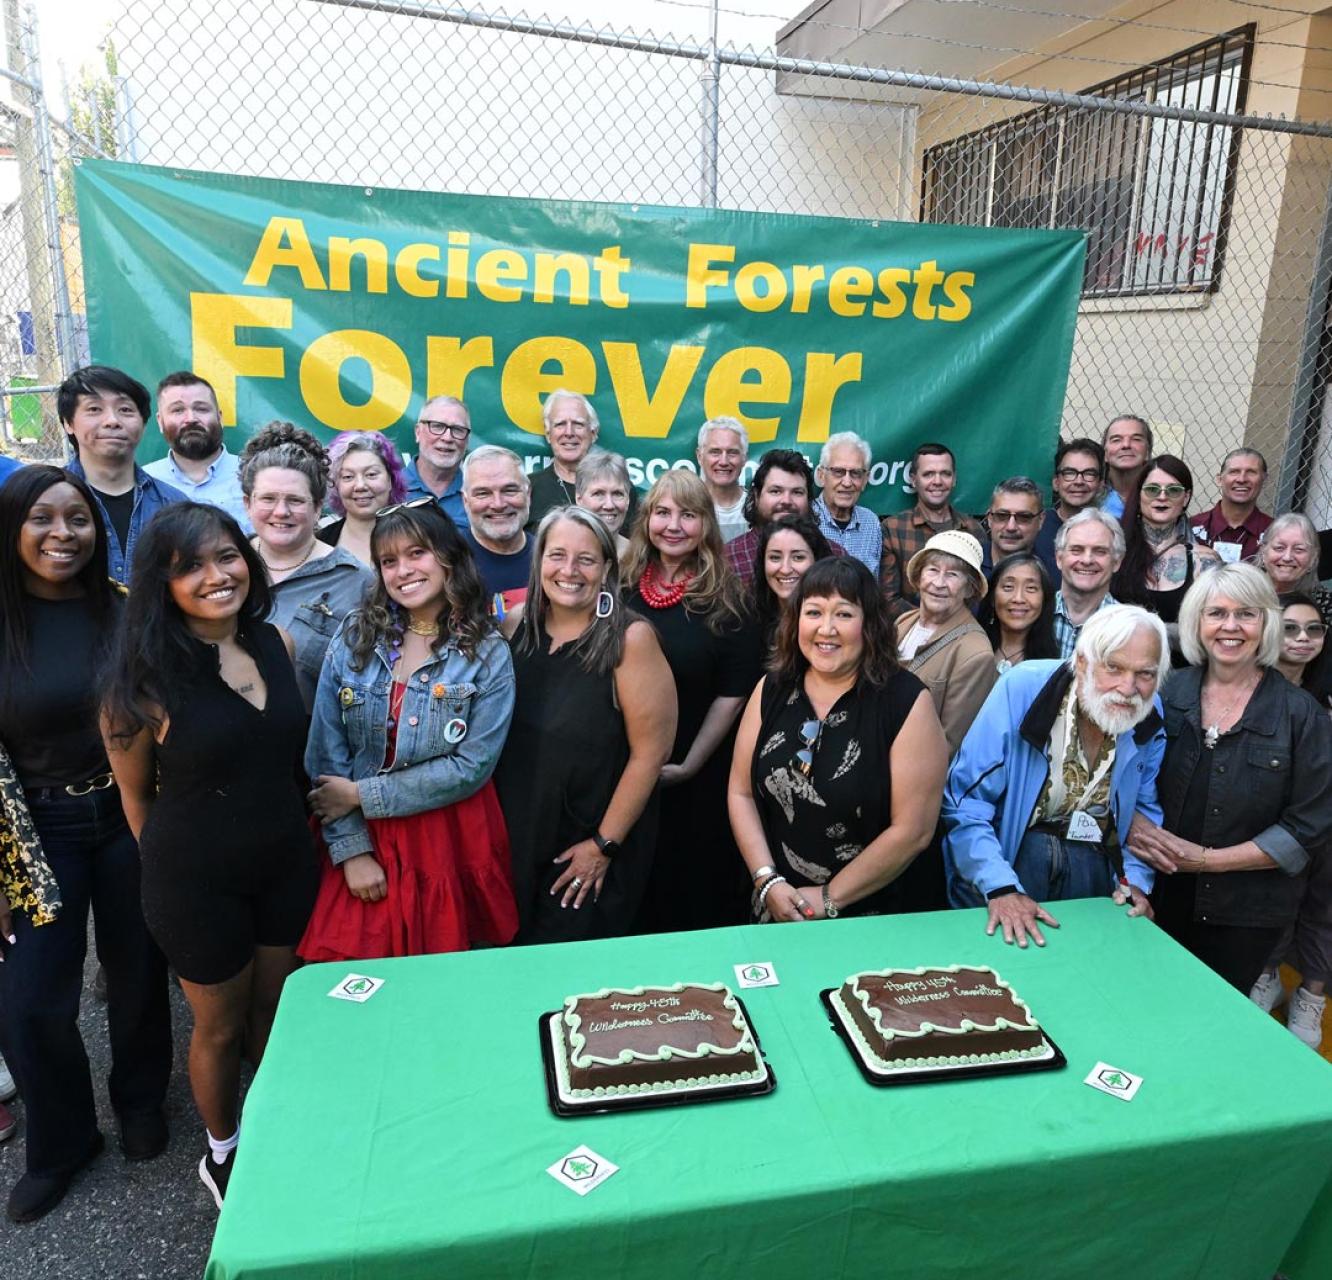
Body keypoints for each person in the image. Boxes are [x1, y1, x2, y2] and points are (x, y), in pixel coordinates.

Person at [103, 502, 316, 1210]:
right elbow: (137, 803)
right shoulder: (140, 685)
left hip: (285, 862)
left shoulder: (275, 642)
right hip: (196, 882)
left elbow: (286, 760)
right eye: (190, 566)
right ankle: (223, 1151)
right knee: (219, 1028)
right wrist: (176, 877)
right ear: (160, 584)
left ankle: (284, 1123)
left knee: (275, 1011)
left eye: (226, 556)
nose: (216, 574)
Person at [0, 467, 171, 1223]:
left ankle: (140, 1105)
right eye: (43, 518)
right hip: (34, 833)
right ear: (13, 528)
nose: (62, 534)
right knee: (33, 1001)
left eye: (79, 519)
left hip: (131, 814)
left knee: (139, 973)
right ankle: (64, 1140)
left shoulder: (126, 611)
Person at [302, 502, 518, 962]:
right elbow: (326, 752)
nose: (403, 570)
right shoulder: (355, 636)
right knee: (350, 981)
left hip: (449, 838)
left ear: (448, 557)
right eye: (388, 561)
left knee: (442, 984)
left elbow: (471, 766)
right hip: (363, 837)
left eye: (417, 553)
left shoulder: (487, 651)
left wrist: (362, 794)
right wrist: (352, 851)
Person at [1126, 565, 1332, 993]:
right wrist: (1136, 825)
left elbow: (1308, 826)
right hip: (1156, 893)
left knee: (1212, 1021)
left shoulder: (1301, 715)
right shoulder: (1165, 695)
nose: (1230, 627)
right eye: (1216, 613)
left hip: (1247, 912)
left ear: (1266, 624)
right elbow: (1120, 776)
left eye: (1247, 614)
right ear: (1197, 622)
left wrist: (1207, 860)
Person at [729, 557, 948, 922]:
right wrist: (767, 880)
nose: (826, 629)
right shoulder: (773, 688)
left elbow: (913, 831)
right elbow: (741, 792)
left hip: (876, 914)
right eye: (813, 612)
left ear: (870, 624)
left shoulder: (906, 701)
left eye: (844, 614)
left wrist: (829, 898)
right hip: (778, 904)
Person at [495, 507, 677, 942]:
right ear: (539, 562)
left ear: (607, 569)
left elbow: (652, 755)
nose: (569, 571)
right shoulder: (515, 626)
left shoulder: (630, 639)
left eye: (586, 559)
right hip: (514, 840)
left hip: (585, 849)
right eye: (557, 556)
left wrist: (603, 845)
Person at [942, 605, 1169, 947]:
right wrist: (1001, 887)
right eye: (1113, 667)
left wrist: (1134, 881)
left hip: (1092, 866)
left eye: (1145, 674)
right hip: (1006, 862)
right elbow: (965, 802)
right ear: (1081, 662)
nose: (1128, 687)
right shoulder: (1022, 689)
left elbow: (1144, 812)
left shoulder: (1148, 714)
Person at [625, 470, 760, 931]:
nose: (674, 525)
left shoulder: (730, 598)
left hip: (695, 777)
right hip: (624, 774)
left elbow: (733, 694)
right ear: (646, 520)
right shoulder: (619, 586)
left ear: (706, 524)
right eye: (662, 513)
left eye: (688, 514)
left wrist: (689, 764)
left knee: (690, 899)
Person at [240, 423, 374, 711]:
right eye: (268, 498)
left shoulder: (356, 581)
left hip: (310, 748)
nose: (281, 511)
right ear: (247, 503)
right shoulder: (227, 567)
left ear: (317, 507)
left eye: (295, 500)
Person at [1249, 593, 1332, 1049]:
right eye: (1291, 627)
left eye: (1313, 629)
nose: (1302, 638)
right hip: (1267, 818)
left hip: (1326, 818)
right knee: (1272, 898)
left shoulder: (1324, 690)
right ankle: (1266, 977)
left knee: (1322, 905)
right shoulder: (1250, 687)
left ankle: (1311, 994)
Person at [58, 365, 184, 585]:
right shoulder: (42, 500)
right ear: (68, 423)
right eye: (94, 409)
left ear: (143, 425)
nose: (112, 421)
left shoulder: (175, 505)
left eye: (125, 410)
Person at [894, 531, 997, 755]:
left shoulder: (975, 653)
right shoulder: (903, 623)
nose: (939, 583)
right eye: (932, 570)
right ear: (919, 577)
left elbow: (948, 744)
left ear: (970, 588)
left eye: (952, 575)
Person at [1110, 456, 1220, 663]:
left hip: (1181, 677)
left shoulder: (1204, 560)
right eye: (1152, 489)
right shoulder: (1112, 548)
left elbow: (1213, 630)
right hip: (1119, 668)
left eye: (1173, 490)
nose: (1162, 496)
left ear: (1186, 498)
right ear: (1139, 495)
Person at [879, 443, 983, 620]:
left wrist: (953, 627)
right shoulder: (893, 528)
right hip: (908, 636)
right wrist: (929, 623)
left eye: (945, 474)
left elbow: (978, 594)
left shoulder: (973, 531)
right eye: (928, 474)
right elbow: (888, 599)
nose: (937, 481)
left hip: (962, 634)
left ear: (954, 478)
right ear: (913, 479)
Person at [144, 372, 250, 530]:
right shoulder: (144, 482)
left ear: (220, 418)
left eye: (201, 409)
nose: (191, 418)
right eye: (178, 410)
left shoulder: (255, 476)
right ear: (160, 422)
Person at [725, 448, 842, 585]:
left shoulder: (835, 555)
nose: (786, 501)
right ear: (756, 496)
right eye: (775, 491)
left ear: (809, 500)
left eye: (797, 492)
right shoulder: (728, 559)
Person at [527, 390, 639, 531]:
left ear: (593, 433)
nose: (569, 432)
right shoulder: (529, 489)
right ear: (549, 434)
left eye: (578, 424)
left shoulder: (620, 489)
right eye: (560, 424)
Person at [460, 446, 534, 619]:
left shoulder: (552, 559)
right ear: (465, 501)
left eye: (509, 490)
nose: (498, 504)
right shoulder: (445, 562)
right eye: (483, 493)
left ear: (528, 494)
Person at [317, 431, 408, 566]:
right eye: (348, 476)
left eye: (371, 474)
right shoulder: (319, 543)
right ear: (336, 485)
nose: (360, 486)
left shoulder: (419, 534)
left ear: (391, 480)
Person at [750, 515, 835, 651]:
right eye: (775, 557)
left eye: (798, 557)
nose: (785, 569)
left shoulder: (834, 623)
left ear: (818, 561)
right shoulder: (746, 621)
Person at [1053, 509, 1124, 659]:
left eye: (1100, 551)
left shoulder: (1127, 629)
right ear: (1059, 558)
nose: (1087, 560)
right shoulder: (1036, 613)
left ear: (1117, 562)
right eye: (1076, 550)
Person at [813, 432, 881, 572]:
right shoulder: (805, 518)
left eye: (855, 473)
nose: (847, 482)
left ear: (865, 480)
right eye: (838, 472)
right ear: (821, 475)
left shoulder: (871, 523)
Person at [1190, 448, 1272, 564]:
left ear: (1264, 480)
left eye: (1251, 472)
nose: (1242, 479)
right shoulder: (1192, 528)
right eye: (1234, 472)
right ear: (1219, 479)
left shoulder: (1274, 533)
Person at [984, 552, 1059, 673]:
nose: (1018, 598)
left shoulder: (1052, 667)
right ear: (992, 597)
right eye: (1008, 587)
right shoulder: (974, 649)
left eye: (1031, 588)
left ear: (1044, 599)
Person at [402, 395, 470, 528]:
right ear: (418, 432)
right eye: (437, 426)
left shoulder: (478, 493)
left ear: (467, 440)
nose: (447, 438)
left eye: (458, 429)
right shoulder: (389, 489)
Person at [1256, 512, 1332, 623]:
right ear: (1263, 551)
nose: (1287, 557)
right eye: (1279, 548)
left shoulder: (1325, 604)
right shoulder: (1242, 590)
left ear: (1313, 557)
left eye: (1299, 550)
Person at [979, 477, 1057, 580]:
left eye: (1023, 517)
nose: (1011, 527)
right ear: (989, 518)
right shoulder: (968, 566)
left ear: (1041, 520)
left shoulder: (1054, 574)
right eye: (1002, 516)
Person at [697, 417, 749, 544]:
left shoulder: (756, 508)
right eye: (715, 452)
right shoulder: (688, 505)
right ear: (700, 457)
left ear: (744, 459)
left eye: (732, 453)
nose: (724, 462)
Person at [575, 449, 634, 553]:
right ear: (579, 499)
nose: (609, 505)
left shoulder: (640, 559)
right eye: (598, 494)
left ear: (628, 500)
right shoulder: (561, 554)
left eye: (617, 494)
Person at [1100, 414, 1152, 521]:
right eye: (1116, 440)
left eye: (1136, 439)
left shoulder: (1160, 497)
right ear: (1105, 453)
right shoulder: (1090, 495)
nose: (1126, 445)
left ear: (1147, 452)